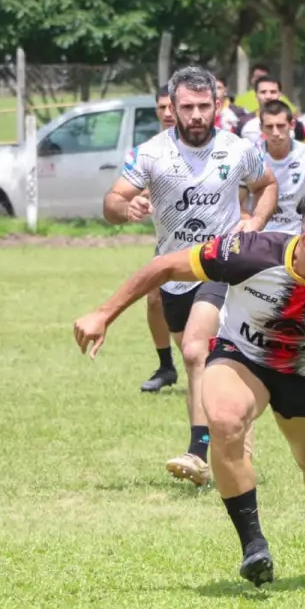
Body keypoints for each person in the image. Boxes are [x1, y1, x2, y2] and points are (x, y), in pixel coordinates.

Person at [73, 192, 305, 586]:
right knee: (225, 421)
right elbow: (163, 266)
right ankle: (253, 546)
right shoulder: (250, 252)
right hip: (242, 357)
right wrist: (104, 313)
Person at [102, 67, 278, 487]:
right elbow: (112, 200)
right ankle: (233, 435)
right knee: (201, 361)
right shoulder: (150, 153)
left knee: (198, 351)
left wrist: (254, 220)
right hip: (172, 272)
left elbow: (267, 184)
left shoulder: (238, 149)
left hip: (222, 264)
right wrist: (123, 209)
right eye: (187, 107)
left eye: (204, 106)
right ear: (173, 109)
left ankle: (199, 451)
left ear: (218, 106)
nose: (197, 114)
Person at [140, 86, 180, 394]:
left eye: (171, 106)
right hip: (168, 241)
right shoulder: (151, 149)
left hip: (208, 242)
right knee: (154, 298)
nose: (167, 113)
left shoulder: (205, 143)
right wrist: (134, 201)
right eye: (161, 107)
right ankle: (166, 366)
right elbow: (135, 187)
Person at [254, 100, 305, 234]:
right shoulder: (249, 157)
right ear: (261, 128)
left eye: (280, 125)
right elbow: (238, 204)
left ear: (292, 124)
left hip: (298, 237)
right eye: (269, 126)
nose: (275, 132)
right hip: (258, 237)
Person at [238, 76, 305, 146]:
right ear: (256, 96)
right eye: (263, 92)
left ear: (280, 95)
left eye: (273, 92)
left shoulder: (294, 123)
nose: (268, 96)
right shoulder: (242, 122)